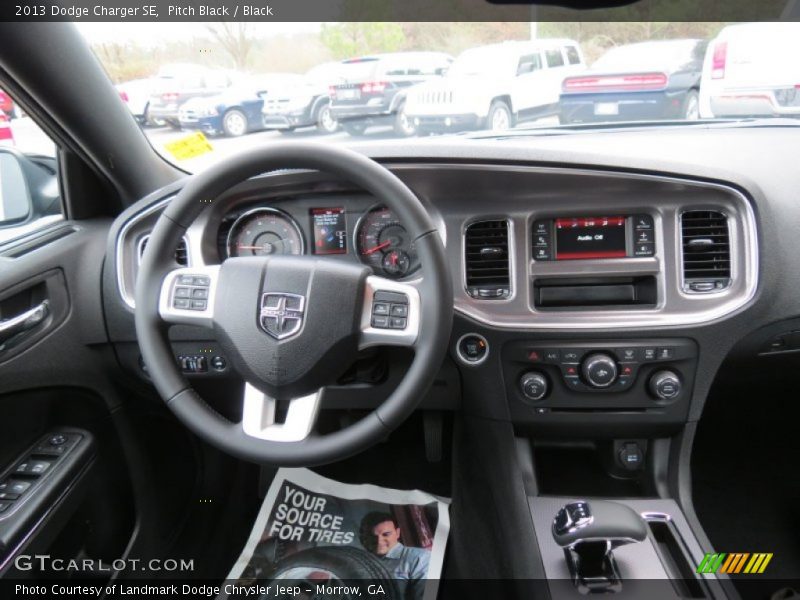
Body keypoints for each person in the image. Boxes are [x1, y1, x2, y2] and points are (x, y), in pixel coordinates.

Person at [359, 512, 431, 600]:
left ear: (397, 533)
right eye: (372, 536)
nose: (379, 541)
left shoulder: (419, 557)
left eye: (386, 534)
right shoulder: (361, 562)